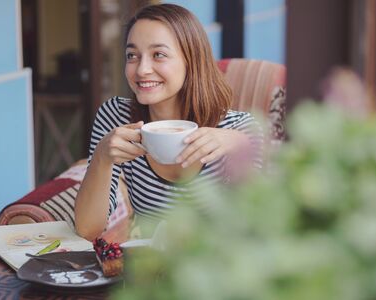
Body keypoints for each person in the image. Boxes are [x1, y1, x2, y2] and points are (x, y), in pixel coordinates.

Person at [75, 3, 263, 240]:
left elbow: (256, 231)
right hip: (152, 271)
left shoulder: (237, 130)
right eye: (132, 55)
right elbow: (87, 229)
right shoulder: (117, 117)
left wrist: (241, 146)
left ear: (191, 60)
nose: (142, 69)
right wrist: (102, 157)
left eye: (159, 55)